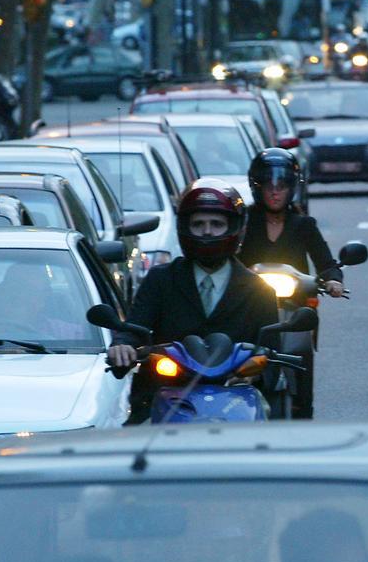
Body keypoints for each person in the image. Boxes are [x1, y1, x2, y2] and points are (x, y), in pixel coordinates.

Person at [108, 178, 278, 423]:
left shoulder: (259, 289)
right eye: (198, 224)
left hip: (237, 399)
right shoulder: (160, 279)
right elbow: (136, 327)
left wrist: (253, 374)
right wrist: (122, 345)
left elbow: (273, 352)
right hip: (164, 392)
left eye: (216, 224)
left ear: (235, 228)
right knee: (131, 444)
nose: (207, 231)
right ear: (184, 228)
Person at [239, 149, 344, 419]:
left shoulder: (304, 224)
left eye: (282, 186)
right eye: (269, 186)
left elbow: (326, 261)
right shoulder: (243, 222)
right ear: (256, 187)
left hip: (295, 307)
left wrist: (333, 280)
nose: (275, 192)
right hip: (250, 306)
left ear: (292, 188)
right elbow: (228, 257)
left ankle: (303, 412)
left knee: (302, 356)